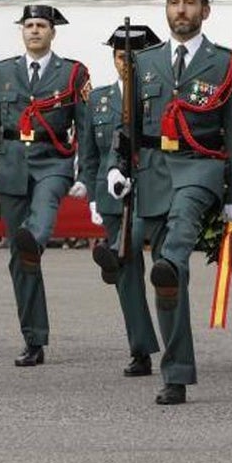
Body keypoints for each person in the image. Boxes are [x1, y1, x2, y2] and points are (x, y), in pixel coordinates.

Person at [106, 0, 232, 406]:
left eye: (189, 2)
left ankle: (168, 265)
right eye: (174, 3)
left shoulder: (226, 63)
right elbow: (126, 126)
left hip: (200, 169)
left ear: (205, 11)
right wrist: (117, 168)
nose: (181, 10)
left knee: (174, 252)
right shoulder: (143, 62)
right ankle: (177, 372)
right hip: (152, 172)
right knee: (171, 278)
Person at [0, 4, 92, 368]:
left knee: (40, 219)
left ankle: (35, 237)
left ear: (53, 32)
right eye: (29, 25)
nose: (35, 31)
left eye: (42, 25)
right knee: (21, 259)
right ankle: (34, 338)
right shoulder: (2, 70)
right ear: (22, 31)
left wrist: (86, 174)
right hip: (10, 164)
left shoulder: (72, 72)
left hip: (53, 160)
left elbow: (85, 126)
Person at [84, 24, 161, 378]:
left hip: (153, 190)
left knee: (135, 257)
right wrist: (92, 194)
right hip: (112, 194)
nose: (125, 63)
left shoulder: (159, 95)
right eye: (119, 56)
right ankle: (140, 349)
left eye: (133, 57)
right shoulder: (98, 98)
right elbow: (88, 154)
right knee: (127, 275)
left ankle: (114, 249)